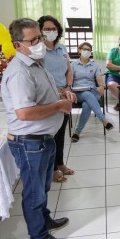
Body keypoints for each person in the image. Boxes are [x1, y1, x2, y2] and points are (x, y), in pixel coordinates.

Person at [1, 18, 74, 239]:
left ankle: (45, 220)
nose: (39, 43)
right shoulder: (20, 71)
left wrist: (62, 93)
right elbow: (24, 112)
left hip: (44, 138)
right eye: (32, 40)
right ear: (17, 45)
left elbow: (45, 93)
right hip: (29, 141)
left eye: (39, 38)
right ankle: (39, 236)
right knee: (34, 191)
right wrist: (60, 106)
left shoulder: (36, 62)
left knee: (43, 187)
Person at [38, 15, 74, 183]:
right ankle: (51, 169)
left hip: (64, 94)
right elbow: (39, 76)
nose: (51, 31)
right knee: (50, 135)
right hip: (49, 97)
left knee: (61, 133)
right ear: (40, 31)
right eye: (47, 29)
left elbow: (68, 70)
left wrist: (68, 87)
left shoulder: (62, 48)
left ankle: (60, 163)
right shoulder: (38, 50)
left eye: (53, 29)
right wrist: (57, 91)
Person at [70, 42, 114, 142]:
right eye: (84, 49)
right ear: (79, 50)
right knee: (86, 94)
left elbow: (99, 79)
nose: (87, 51)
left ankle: (77, 132)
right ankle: (104, 120)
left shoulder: (94, 65)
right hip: (78, 93)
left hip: (92, 91)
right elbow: (69, 81)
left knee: (87, 105)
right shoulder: (73, 65)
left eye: (89, 50)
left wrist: (102, 86)